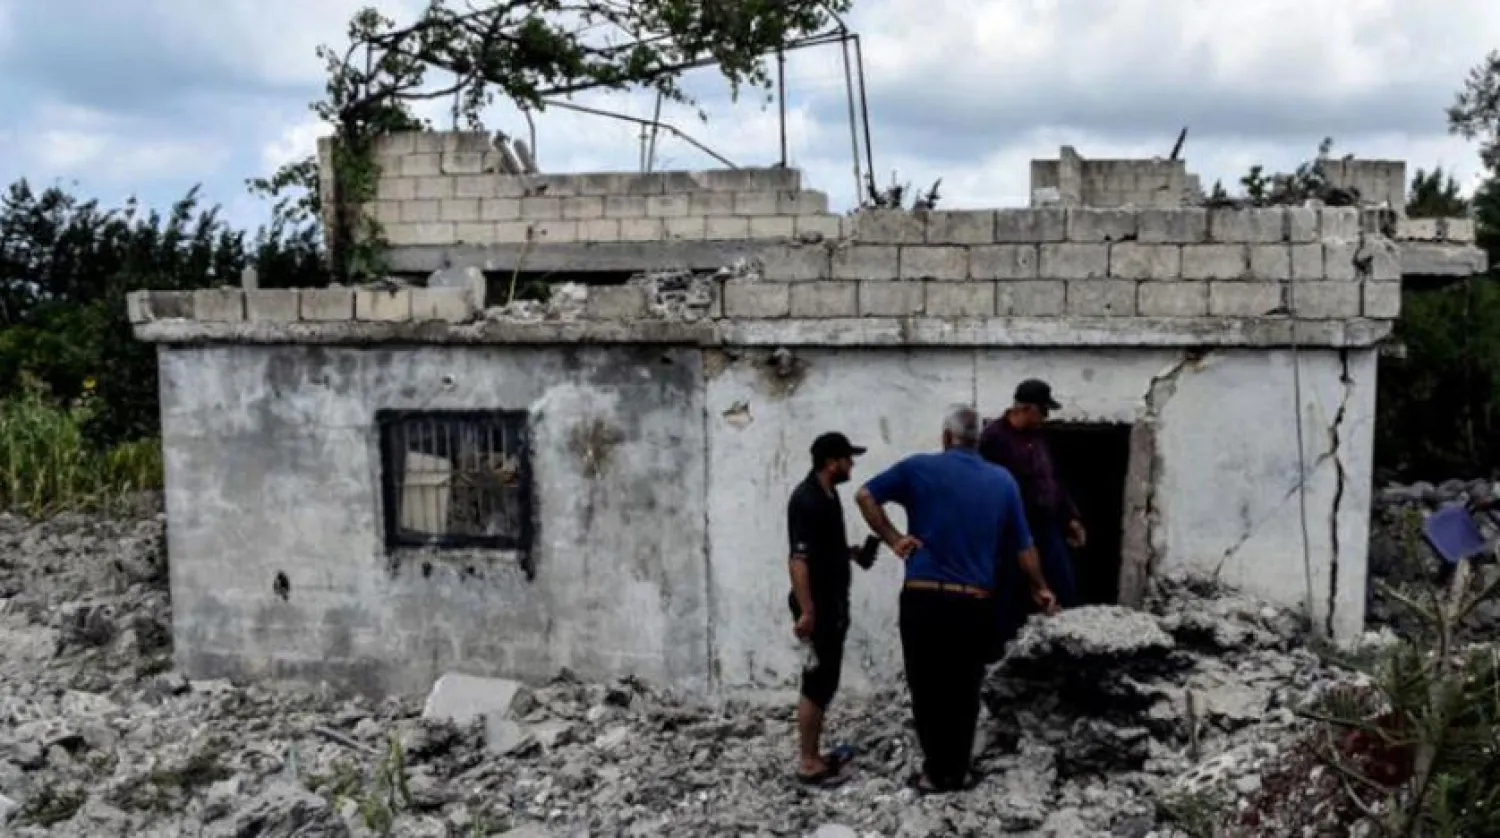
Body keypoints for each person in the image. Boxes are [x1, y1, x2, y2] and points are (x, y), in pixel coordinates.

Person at [855, 405, 1057, 794]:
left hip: (923, 598)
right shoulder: (1002, 481)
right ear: (977, 441)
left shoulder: (917, 468)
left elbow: (865, 495)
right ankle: (959, 771)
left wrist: (895, 539)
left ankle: (934, 772)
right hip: (973, 602)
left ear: (946, 437)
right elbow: (1024, 546)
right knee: (964, 689)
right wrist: (1040, 587)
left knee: (926, 686)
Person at [786, 431, 874, 786]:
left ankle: (815, 755)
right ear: (831, 462)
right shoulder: (807, 499)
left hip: (832, 603)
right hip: (818, 606)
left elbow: (825, 549)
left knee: (827, 679)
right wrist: (808, 611)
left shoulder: (829, 495)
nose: (851, 464)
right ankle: (808, 762)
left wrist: (852, 553)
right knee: (816, 682)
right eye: (847, 459)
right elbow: (798, 561)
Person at [979, 379, 1086, 628]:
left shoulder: (1038, 438)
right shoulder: (994, 438)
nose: (1046, 417)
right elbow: (986, 486)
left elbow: (1052, 480)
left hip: (1046, 526)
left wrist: (1070, 517)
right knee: (1010, 593)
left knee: (1065, 585)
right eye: (1044, 410)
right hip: (1012, 531)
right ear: (1027, 408)